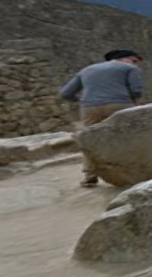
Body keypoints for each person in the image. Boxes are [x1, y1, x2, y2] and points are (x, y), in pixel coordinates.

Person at [60, 49, 145, 187]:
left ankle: (90, 175)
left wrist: (81, 101)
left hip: (89, 107)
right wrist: (134, 104)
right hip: (120, 104)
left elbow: (65, 93)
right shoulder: (129, 68)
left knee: (90, 140)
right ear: (125, 58)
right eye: (134, 60)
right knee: (127, 137)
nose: (135, 64)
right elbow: (136, 91)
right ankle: (134, 172)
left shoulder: (87, 70)